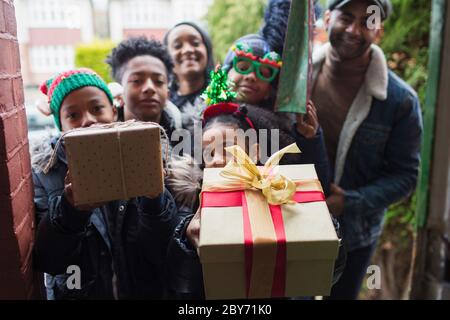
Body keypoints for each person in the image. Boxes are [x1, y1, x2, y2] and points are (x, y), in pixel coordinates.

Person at [165, 69, 346, 299]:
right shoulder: (191, 204)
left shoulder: (282, 190)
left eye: (229, 147)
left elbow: (329, 271)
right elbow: (180, 282)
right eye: (209, 153)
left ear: (256, 150)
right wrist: (188, 244)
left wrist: (320, 222)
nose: (219, 159)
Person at [31, 68, 179, 299]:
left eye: (97, 108)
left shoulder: (140, 154)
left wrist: (154, 201)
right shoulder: (46, 173)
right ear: (61, 125)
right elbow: (50, 260)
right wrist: (71, 211)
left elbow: (165, 249)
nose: (88, 120)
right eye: (73, 115)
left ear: (113, 111)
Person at [312, 0, 423, 299]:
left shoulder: (400, 101)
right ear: (326, 18)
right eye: (346, 17)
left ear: (380, 32)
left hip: (355, 236)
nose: (354, 29)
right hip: (296, 227)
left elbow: (406, 177)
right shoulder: (297, 80)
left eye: (367, 21)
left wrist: (349, 202)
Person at [106, 37, 182, 137]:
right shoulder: (101, 135)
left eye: (159, 81)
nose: (149, 88)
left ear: (168, 94)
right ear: (120, 93)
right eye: (137, 80)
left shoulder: (183, 138)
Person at [163, 22, 215, 131]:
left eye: (195, 43)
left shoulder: (223, 96)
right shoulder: (162, 105)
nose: (188, 50)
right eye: (177, 46)